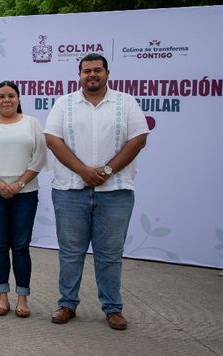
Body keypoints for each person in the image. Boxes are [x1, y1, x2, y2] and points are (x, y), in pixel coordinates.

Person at [44, 53, 149, 330]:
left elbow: (138, 139)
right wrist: (83, 170)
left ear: (107, 73)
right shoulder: (63, 103)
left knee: (110, 254)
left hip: (115, 191)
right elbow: (53, 140)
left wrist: (107, 170)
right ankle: (67, 303)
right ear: (79, 75)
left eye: (97, 70)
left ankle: (113, 309)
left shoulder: (126, 102)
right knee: (70, 252)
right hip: (70, 191)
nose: (92, 74)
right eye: (87, 70)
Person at [0, 81, 47, 318]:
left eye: (11, 96)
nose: (6, 100)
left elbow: (39, 158)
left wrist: (19, 184)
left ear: (18, 98)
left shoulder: (31, 124)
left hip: (25, 193)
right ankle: (2, 297)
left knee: (21, 247)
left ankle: (22, 298)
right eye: (1, 96)